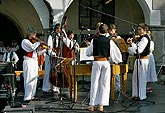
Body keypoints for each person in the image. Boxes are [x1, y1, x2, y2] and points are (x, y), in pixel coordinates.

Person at [86, 23, 122, 112]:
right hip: (105, 62)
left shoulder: (94, 40)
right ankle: (101, 105)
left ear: (99, 30)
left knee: (95, 83)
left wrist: (88, 47)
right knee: (104, 84)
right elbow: (115, 54)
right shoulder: (109, 41)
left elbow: (88, 53)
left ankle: (92, 104)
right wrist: (117, 61)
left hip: (97, 62)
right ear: (106, 31)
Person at [21, 26, 48, 103]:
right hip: (28, 61)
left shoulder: (33, 42)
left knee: (34, 79)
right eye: (34, 34)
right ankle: (27, 97)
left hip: (34, 61)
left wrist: (45, 50)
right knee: (29, 79)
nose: (35, 36)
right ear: (30, 34)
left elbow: (37, 53)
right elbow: (32, 48)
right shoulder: (25, 41)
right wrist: (39, 42)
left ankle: (32, 95)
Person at [127, 23, 150, 100]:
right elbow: (133, 51)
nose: (138, 31)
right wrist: (131, 45)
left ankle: (142, 96)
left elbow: (139, 50)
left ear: (145, 30)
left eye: (140, 29)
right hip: (138, 59)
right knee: (135, 78)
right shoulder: (140, 38)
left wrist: (132, 44)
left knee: (142, 78)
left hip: (143, 60)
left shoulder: (145, 39)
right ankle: (135, 94)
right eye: (138, 29)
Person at [42, 23, 62, 94]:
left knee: (55, 72)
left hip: (56, 56)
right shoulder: (51, 36)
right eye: (57, 28)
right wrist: (53, 54)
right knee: (48, 72)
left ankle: (55, 87)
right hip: (50, 55)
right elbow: (49, 47)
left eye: (59, 28)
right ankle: (46, 88)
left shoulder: (60, 37)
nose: (58, 30)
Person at [108, 24, 121, 92]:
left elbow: (120, 45)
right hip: (109, 56)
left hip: (115, 56)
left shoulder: (117, 37)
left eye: (113, 30)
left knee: (116, 74)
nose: (112, 31)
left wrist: (117, 41)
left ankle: (117, 88)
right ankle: (110, 87)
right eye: (111, 30)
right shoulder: (107, 37)